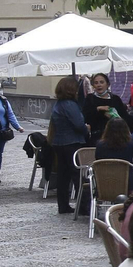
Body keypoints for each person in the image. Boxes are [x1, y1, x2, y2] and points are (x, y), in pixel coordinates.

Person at [48, 75, 89, 215]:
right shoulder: (70, 105)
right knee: (78, 176)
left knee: (63, 176)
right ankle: (83, 206)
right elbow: (78, 124)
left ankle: (63, 205)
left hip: (59, 142)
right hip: (72, 142)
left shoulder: (59, 104)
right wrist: (86, 129)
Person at [82, 73, 133, 143]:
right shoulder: (90, 98)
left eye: (101, 82)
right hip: (97, 137)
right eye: (96, 83)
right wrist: (98, 109)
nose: (99, 85)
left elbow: (124, 116)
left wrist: (114, 116)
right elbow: (86, 116)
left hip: (116, 136)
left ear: (107, 84)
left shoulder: (115, 99)